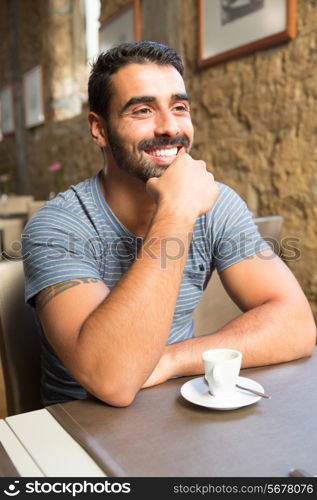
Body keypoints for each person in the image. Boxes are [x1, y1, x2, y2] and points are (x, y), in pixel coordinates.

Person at [22, 41, 316, 408]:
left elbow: (297, 326)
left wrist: (172, 359)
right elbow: (112, 380)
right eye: (143, 110)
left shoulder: (217, 204)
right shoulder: (57, 226)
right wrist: (175, 213)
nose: (169, 127)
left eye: (179, 107)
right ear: (99, 129)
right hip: (79, 425)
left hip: (173, 406)